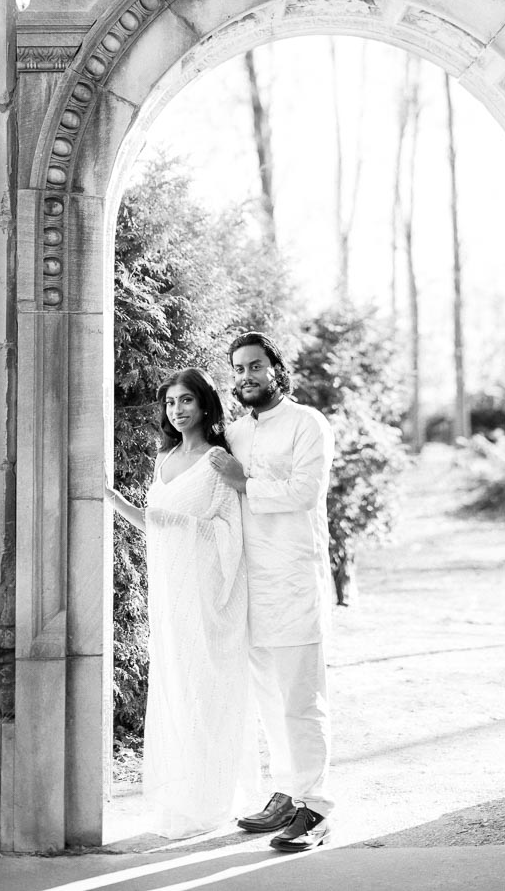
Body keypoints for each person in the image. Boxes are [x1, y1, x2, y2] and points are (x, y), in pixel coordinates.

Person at [106, 367, 258, 838]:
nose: (178, 409)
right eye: (170, 401)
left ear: (205, 404)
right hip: (170, 594)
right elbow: (153, 522)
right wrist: (111, 498)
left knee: (207, 689)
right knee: (177, 688)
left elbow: (230, 529)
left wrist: (180, 525)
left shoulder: (217, 460)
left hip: (208, 594)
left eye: (186, 400)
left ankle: (213, 800)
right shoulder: (164, 457)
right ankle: (184, 797)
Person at [209, 331, 335, 853]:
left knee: (301, 701)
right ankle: (286, 792)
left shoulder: (308, 424)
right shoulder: (235, 434)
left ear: (276, 370)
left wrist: (244, 482)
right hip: (250, 585)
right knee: (269, 700)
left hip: (294, 580)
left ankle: (317, 808)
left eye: (255, 366)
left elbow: (306, 492)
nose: (246, 377)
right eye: (238, 369)